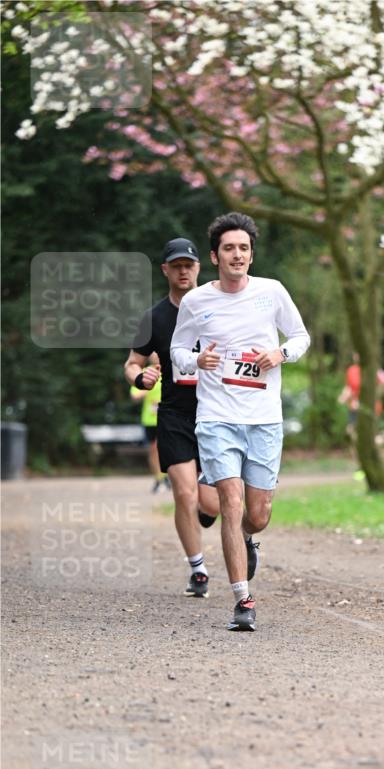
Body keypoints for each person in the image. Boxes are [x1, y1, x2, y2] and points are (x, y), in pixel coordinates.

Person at [170, 212, 310, 631]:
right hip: (216, 418)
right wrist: (197, 359)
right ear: (215, 256)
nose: (238, 255)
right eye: (229, 248)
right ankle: (242, 600)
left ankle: (247, 537)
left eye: (244, 248)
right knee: (230, 504)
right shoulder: (197, 301)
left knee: (258, 513)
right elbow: (177, 351)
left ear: (252, 254)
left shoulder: (273, 292)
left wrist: (280, 354)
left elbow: (301, 336)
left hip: (264, 419)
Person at [124, 238, 219, 598]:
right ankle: (197, 569)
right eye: (175, 265)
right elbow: (132, 361)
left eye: (188, 265)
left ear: (198, 267)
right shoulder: (155, 317)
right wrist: (140, 376)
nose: (183, 271)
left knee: (209, 504)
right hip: (175, 413)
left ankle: (209, 517)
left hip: (216, 412)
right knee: (183, 491)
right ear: (165, 270)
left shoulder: (219, 307)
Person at [129, 352, 169, 493]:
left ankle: (167, 477)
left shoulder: (172, 370)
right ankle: (160, 478)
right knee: (153, 450)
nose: (156, 355)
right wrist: (145, 388)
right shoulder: (146, 372)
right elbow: (134, 394)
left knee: (166, 448)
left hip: (169, 417)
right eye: (153, 353)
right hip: (150, 419)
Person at [338, 352, 384, 441]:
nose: (357, 356)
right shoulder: (351, 370)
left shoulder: (374, 370)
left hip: (371, 407)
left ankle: (379, 442)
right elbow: (349, 388)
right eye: (355, 354)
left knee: (371, 436)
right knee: (351, 432)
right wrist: (343, 397)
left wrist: (376, 394)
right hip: (354, 407)